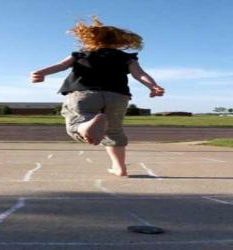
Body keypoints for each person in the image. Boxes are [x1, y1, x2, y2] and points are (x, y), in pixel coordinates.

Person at [31, 17, 165, 177]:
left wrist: (41, 72)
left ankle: (85, 126)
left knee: (76, 123)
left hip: (85, 93)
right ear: (119, 41)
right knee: (114, 132)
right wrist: (153, 86)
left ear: (91, 39)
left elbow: (61, 66)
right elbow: (140, 74)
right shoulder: (126, 57)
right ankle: (119, 168)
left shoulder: (82, 54)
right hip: (117, 97)